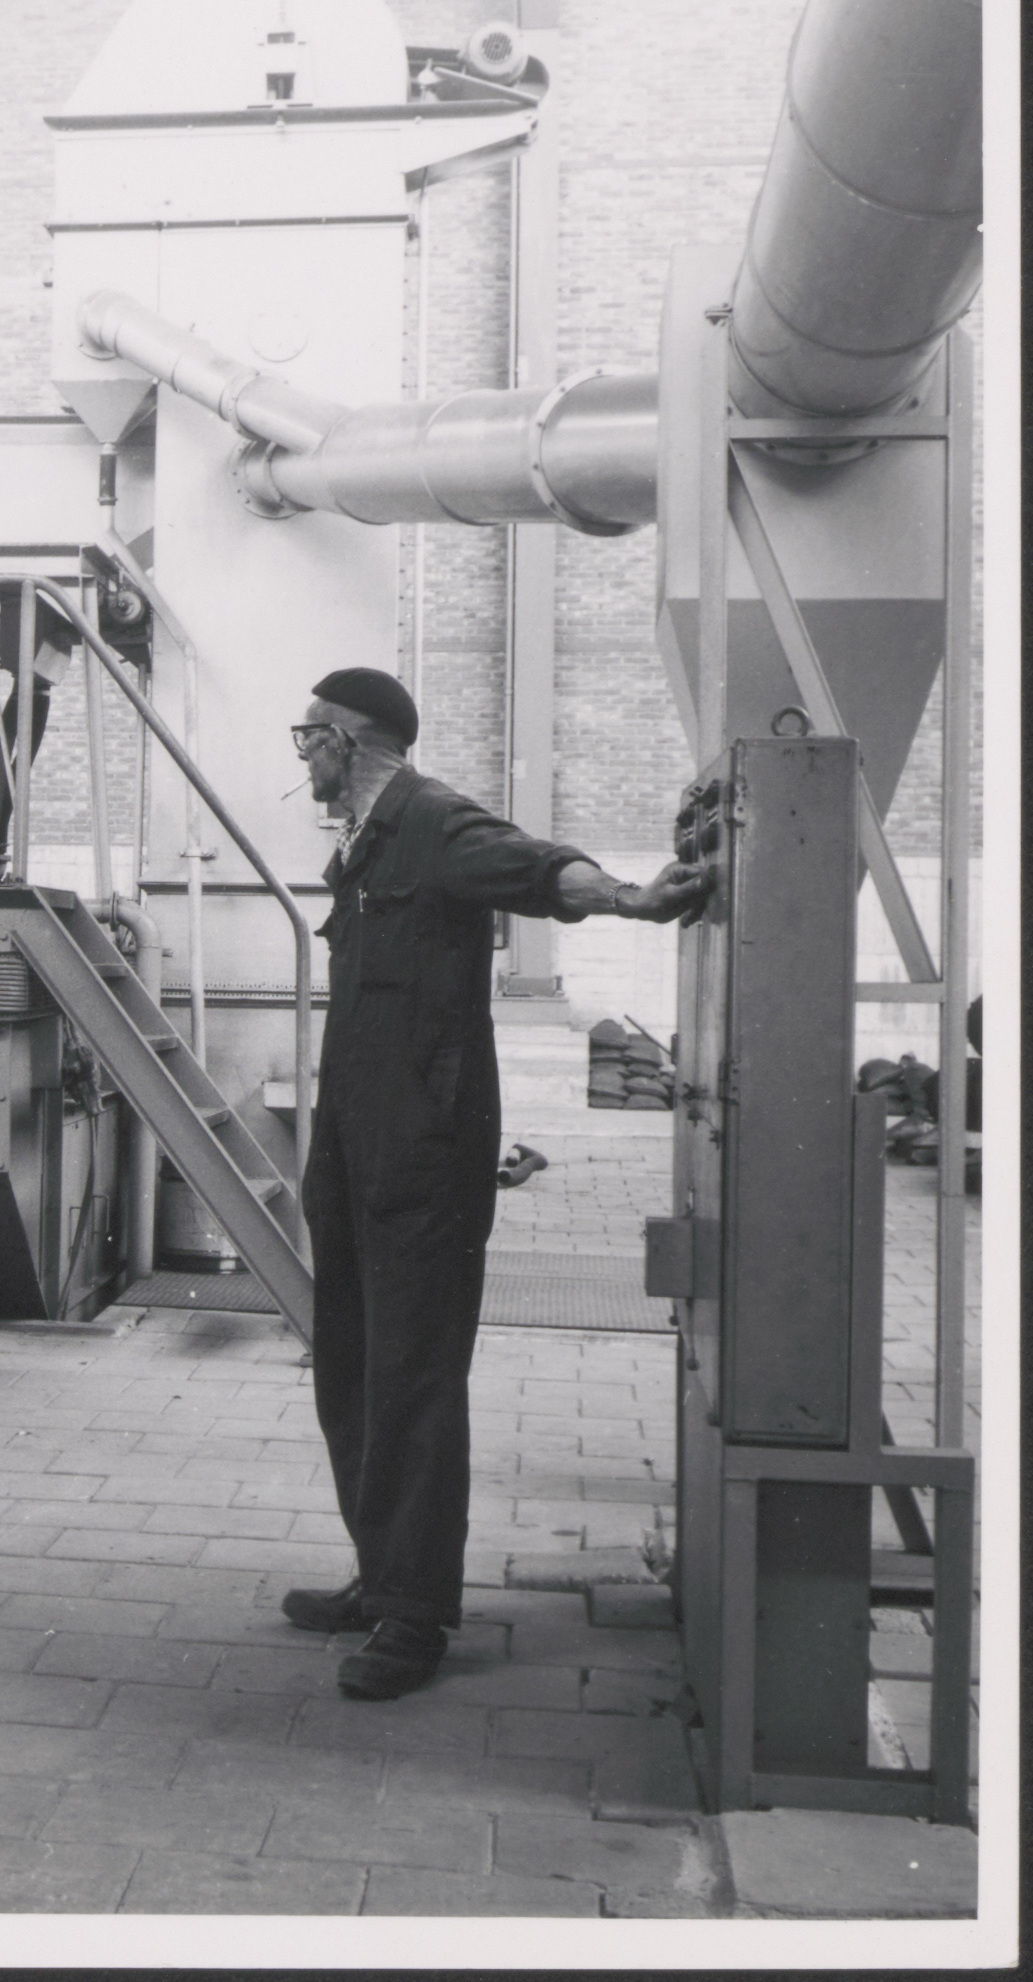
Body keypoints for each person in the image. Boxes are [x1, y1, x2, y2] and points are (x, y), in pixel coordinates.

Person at [280, 667, 710, 1700]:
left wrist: (631, 898)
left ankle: (415, 1614)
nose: (301, 754)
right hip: (355, 1141)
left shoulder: (431, 819)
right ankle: (382, 1570)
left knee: (413, 1373)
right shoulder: (365, 842)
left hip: (422, 1150)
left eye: (309, 734)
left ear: (347, 738)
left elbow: (535, 866)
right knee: (351, 1361)